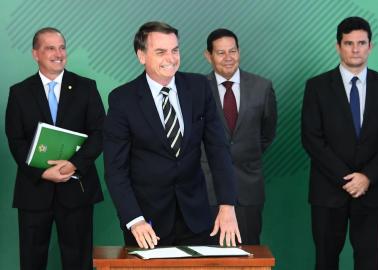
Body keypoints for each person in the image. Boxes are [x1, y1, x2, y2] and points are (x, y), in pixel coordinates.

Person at [103, 21, 241, 249]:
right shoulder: (122, 99)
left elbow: (218, 149)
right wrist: (134, 220)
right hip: (146, 224)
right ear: (141, 55)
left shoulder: (199, 87)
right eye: (161, 52)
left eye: (175, 50)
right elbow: (115, 169)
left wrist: (227, 204)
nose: (171, 58)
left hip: (197, 218)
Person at [301, 17, 378, 270]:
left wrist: (367, 177)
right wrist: (348, 178)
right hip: (328, 192)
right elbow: (312, 139)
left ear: (371, 46)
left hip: (372, 191)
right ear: (338, 46)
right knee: (325, 261)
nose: (355, 49)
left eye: (361, 43)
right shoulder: (317, 87)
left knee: (369, 262)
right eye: (349, 43)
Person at [5, 27, 105, 270]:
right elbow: (15, 140)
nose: (58, 53)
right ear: (35, 54)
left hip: (76, 188)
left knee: (79, 261)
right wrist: (40, 172)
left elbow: (100, 133)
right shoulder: (19, 92)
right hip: (33, 191)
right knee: (31, 260)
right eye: (50, 48)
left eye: (62, 47)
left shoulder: (86, 87)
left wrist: (74, 164)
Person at [201, 28, 277, 244]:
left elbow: (267, 133)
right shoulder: (197, 89)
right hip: (207, 189)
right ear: (208, 55)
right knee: (209, 257)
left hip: (248, 188)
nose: (228, 58)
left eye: (232, 51)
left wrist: (245, 153)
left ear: (239, 52)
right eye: (221, 52)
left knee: (249, 253)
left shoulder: (262, 87)